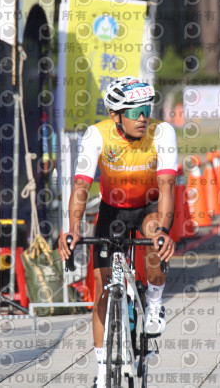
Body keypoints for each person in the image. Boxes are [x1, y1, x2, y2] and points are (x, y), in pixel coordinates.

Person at [58, 76, 177, 388]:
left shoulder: (162, 132)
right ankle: (101, 372)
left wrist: (164, 231)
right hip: (113, 211)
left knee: (153, 233)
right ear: (115, 115)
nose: (143, 117)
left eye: (146, 110)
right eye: (135, 112)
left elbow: (167, 184)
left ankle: (155, 303)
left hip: (150, 206)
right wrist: (73, 229)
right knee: (102, 287)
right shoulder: (97, 134)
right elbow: (81, 185)